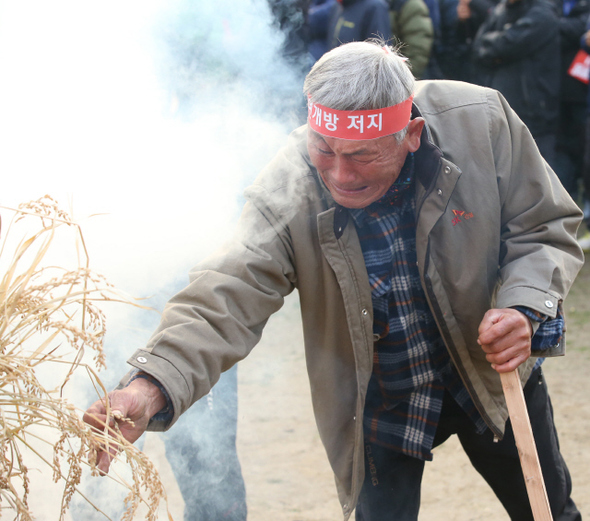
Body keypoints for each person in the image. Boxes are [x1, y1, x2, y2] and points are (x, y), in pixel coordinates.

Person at [84, 40, 584, 520]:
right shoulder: (290, 183)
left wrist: (523, 307)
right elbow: (226, 293)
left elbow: (542, 225)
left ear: (410, 136)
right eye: (325, 149)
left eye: (362, 155)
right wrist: (150, 386)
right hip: (381, 396)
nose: (340, 175)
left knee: (549, 511)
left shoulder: (482, 122)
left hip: (488, 374)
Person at [471, 0, 561, 163]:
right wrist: (498, 44)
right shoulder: (502, 9)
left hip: (533, 112)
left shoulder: (544, 13)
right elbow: (478, 46)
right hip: (500, 107)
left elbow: (507, 45)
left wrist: (496, 45)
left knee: (536, 174)